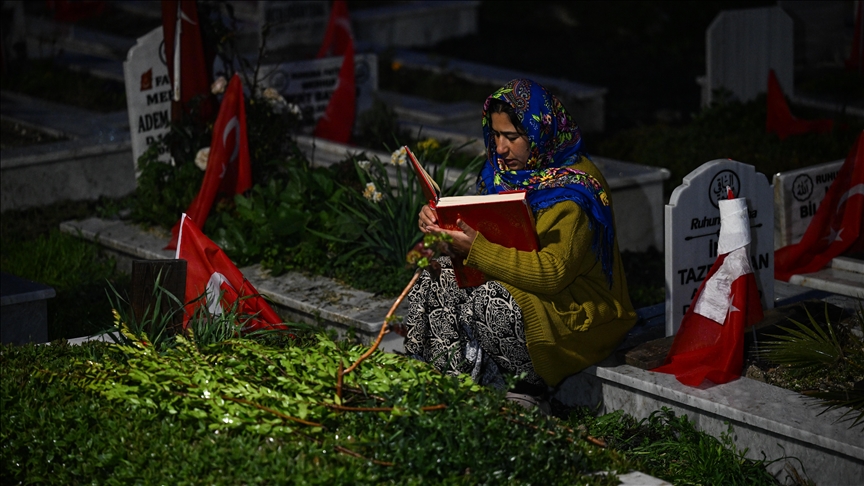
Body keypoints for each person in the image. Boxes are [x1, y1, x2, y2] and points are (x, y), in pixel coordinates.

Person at [404, 78, 637, 406]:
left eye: (512, 137)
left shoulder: (575, 190)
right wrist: (440, 224)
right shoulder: (505, 174)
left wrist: (476, 249)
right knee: (437, 272)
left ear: (539, 133)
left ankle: (526, 393)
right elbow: (490, 230)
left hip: (575, 308)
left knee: (491, 303)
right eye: (496, 135)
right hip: (521, 282)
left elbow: (552, 273)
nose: (500, 148)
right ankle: (443, 388)